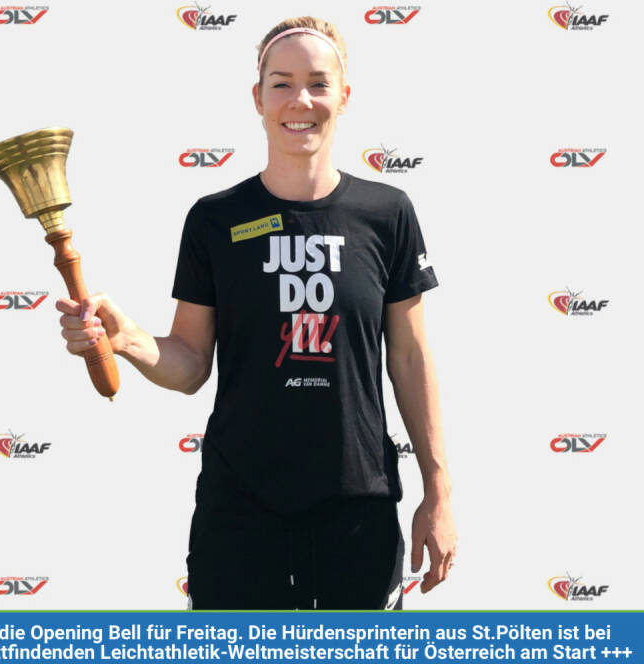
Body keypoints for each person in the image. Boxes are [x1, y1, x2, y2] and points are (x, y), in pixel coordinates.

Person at [56, 16, 456, 610]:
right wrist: (127, 339)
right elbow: (190, 365)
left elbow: (410, 358)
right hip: (240, 514)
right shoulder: (216, 219)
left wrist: (438, 491)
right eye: (282, 83)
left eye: (318, 84)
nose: (301, 100)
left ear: (344, 97)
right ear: (258, 98)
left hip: (359, 510)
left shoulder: (388, 212)